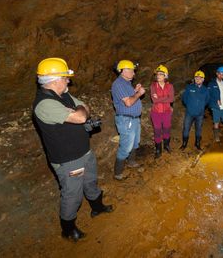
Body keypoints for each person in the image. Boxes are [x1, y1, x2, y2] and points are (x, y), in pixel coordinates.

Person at [33, 58, 113, 242]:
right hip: (68, 160)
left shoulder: (63, 95)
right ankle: (68, 230)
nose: (68, 81)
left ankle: (97, 207)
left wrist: (81, 111)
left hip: (84, 152)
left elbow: (86, 108)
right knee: (72, 195)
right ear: (54, 80)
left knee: (91, 182)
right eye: (65, 78)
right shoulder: (44, 104)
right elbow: (79, 116)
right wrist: (80, 111)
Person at [111, 59, 145, 180]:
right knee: (126, 147)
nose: (133, 73)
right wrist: (139, 94)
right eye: (130, 70)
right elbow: (129, 102)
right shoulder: (118, 84)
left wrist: (135, 91)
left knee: (135, 142)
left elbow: (129, 97)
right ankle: (118, 173)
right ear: (122, 71)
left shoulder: (126, 83)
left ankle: (131, 162)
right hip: (126, 121)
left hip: (134, 119)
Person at [180, 70, 209, 150]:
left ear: (203, 79)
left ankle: (197, 144)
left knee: (198, 129)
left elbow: (207, 100)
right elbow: (184, 98)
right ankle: (184, 144)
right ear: (194, 78)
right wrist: (189, 106)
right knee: (186, 128)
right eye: (196, 77)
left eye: (200, 78)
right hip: (189, 113)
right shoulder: (189, 87)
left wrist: (201, 106)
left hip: (200, 114)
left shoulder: (205, 90)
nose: (198, 79)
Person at [150, 65, 174, 158]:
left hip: (167, 112)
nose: (158, 76)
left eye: (161, 74)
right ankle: (158, 149)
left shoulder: (170, 86)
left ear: (165, 76)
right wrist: (166, 98)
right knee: (157, 131)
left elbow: (171, 99)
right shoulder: (153, 86)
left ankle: (167, 146)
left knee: (167, 129)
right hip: (156, 113)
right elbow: (154, 100)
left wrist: (159, 98)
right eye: (157, 74)